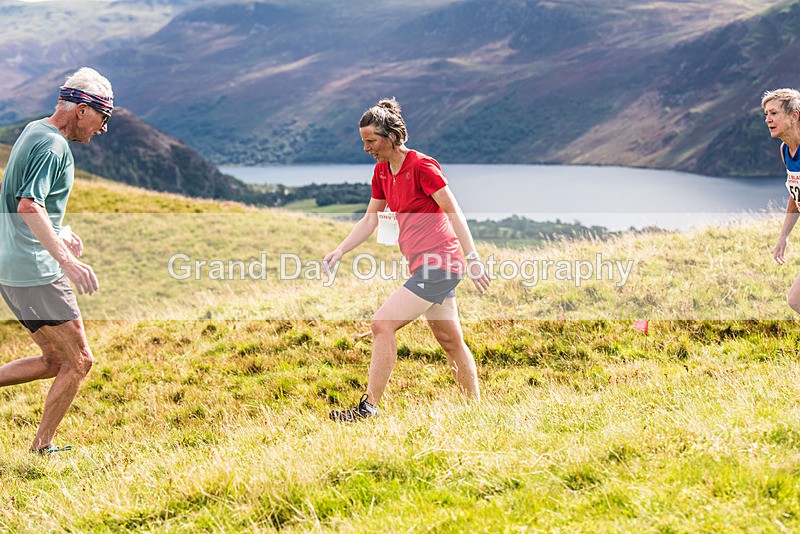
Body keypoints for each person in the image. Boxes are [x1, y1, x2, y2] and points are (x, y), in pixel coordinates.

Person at [324, 98, 491, 422]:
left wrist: (473, 258)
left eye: (371, 141)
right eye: (364, 142)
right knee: (449, 339)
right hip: (422, 265)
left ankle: (367, 409)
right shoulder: (382, 172)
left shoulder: (422, 166)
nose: (366, 148)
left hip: (442, 263)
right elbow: (370, 219)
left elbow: (452, 211)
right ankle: (477, 413)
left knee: (382, 323)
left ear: (391, 136)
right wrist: (340, 250)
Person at [0, 67, 112, 453]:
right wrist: (66, 260)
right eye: (104, 117)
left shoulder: (34, 130)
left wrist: (60, 230)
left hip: (11, 269)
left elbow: (16, 196)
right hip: (36, 271)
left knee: (53, 359)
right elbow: (29, 205)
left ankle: (41, 448)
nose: (103, 128)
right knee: (80, 360)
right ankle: (41, 450)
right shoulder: (54, 147)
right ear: (82, 110)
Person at [764, 88, 800, 314]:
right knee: (795, 300)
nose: (768, 119)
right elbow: (796, 195)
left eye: (774, 113)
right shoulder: (785, 150)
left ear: (794, 115)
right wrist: (783, 236)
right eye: (766, 114)